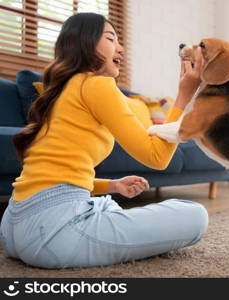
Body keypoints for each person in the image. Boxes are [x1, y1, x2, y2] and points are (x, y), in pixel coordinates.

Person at [0, 12, 208, 269]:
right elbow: (158, 157)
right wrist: (183, 95)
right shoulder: (97, 84)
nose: (120, 47)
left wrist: (112, 185)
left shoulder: (60, 92)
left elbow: (55, 174)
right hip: (53, 235)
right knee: (195, 215)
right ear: (85, 43)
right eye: (111, 38)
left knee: (106, 204)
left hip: (13, 226)